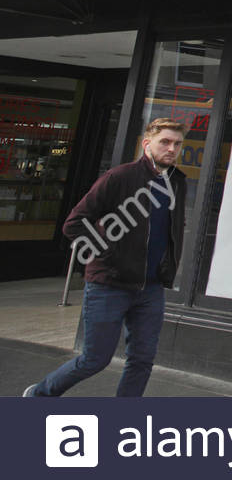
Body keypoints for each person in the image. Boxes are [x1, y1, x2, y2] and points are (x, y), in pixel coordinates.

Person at [24, 118, 189, 397]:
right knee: (95, 359)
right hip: (109, 285)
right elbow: (74, 223)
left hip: (150, 288)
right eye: (165, 142)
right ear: (146, 144)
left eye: (177, 144)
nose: (171, 149)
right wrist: (107, 253)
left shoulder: (177, 182)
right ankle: (40, 394)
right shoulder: (121, 177)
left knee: (142, 360)